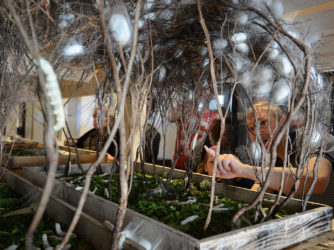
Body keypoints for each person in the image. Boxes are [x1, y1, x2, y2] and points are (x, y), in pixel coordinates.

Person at [204, 101, 334, 195]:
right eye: (251, 128)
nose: (257, 132)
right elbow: (262, 187)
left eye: (263, 123)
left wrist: (242, 170)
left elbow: (316, 180)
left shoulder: (313, 138)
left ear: (283, 121)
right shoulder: (273, 154)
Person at [168, 102, 216, 170]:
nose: (203, 92)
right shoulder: (185, 108)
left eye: (206, 90)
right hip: (180, 161)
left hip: (200, 164)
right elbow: (170, 117)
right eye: (200, 90)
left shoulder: (214, 115)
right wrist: (183, 109)